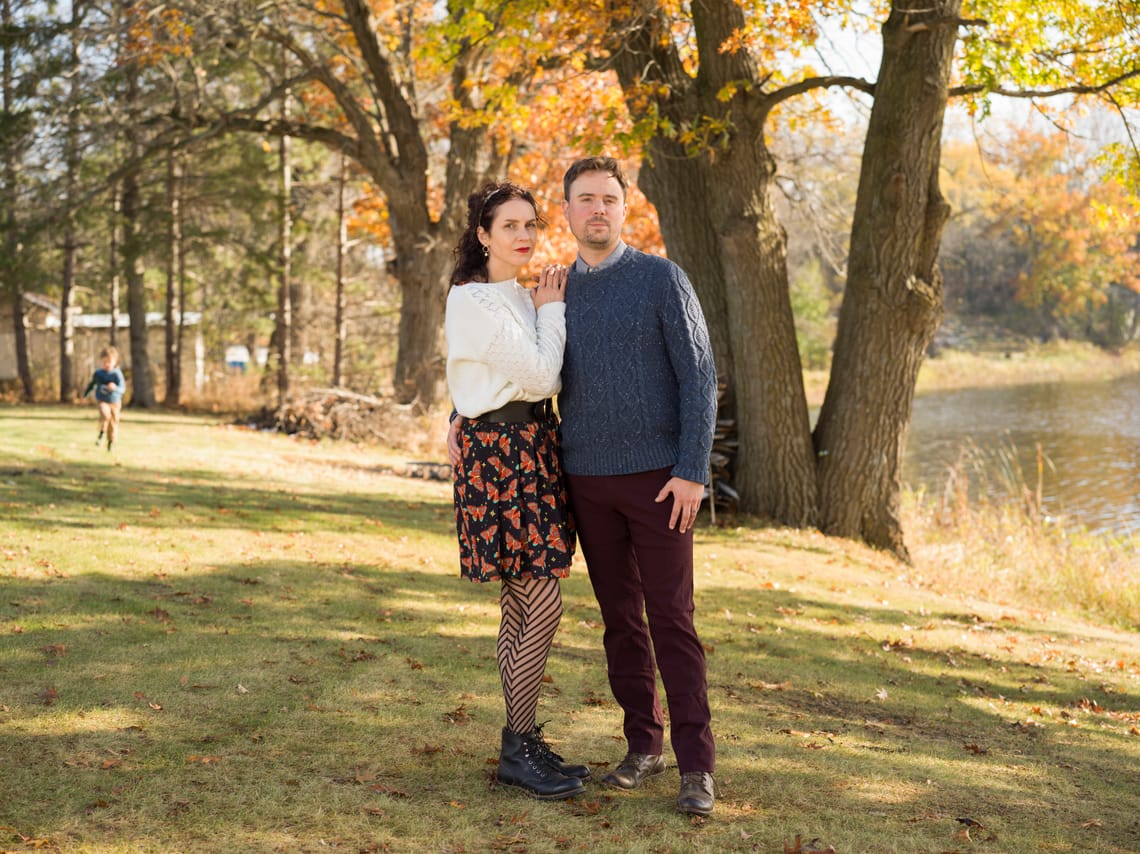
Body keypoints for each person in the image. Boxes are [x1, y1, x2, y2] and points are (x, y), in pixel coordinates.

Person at [449, 159, 720, 816]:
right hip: (583, 480)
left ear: (624, 209)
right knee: (621, 622)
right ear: (567, 214)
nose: (596, 210)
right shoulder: (554, 286)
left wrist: (691, 470)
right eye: (583, 200)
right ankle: (642, 746)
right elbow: (501, 358)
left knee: (672, 620)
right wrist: (459, 412)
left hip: (660, 481)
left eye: (608, 199)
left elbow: (700, 378)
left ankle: (697, 767)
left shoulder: (662, 279)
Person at [445, 181, 588, 801]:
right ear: (482, 235)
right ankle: (518, 742)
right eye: (509, 226)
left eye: (531, 224)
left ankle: (521, 747)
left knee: (518, 602)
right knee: (543, 598)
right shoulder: (476, 300)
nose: (525, 236)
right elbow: (540, 373)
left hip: (531, 449)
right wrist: (553, 308)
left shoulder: (516, 296)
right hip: (498, 458)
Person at [84, 345, 126, 451]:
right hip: (102, 400)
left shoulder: (117, 374)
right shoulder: (98, 374)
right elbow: (92, 384)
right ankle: (101, 433)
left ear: (115, 362)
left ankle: (110, 442)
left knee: (113, 422)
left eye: (109, 361)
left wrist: (115, 388)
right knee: (105, 414)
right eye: (104, 362)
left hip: (115, 401)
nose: (106, 364)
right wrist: (86, 394)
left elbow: (122, 389)